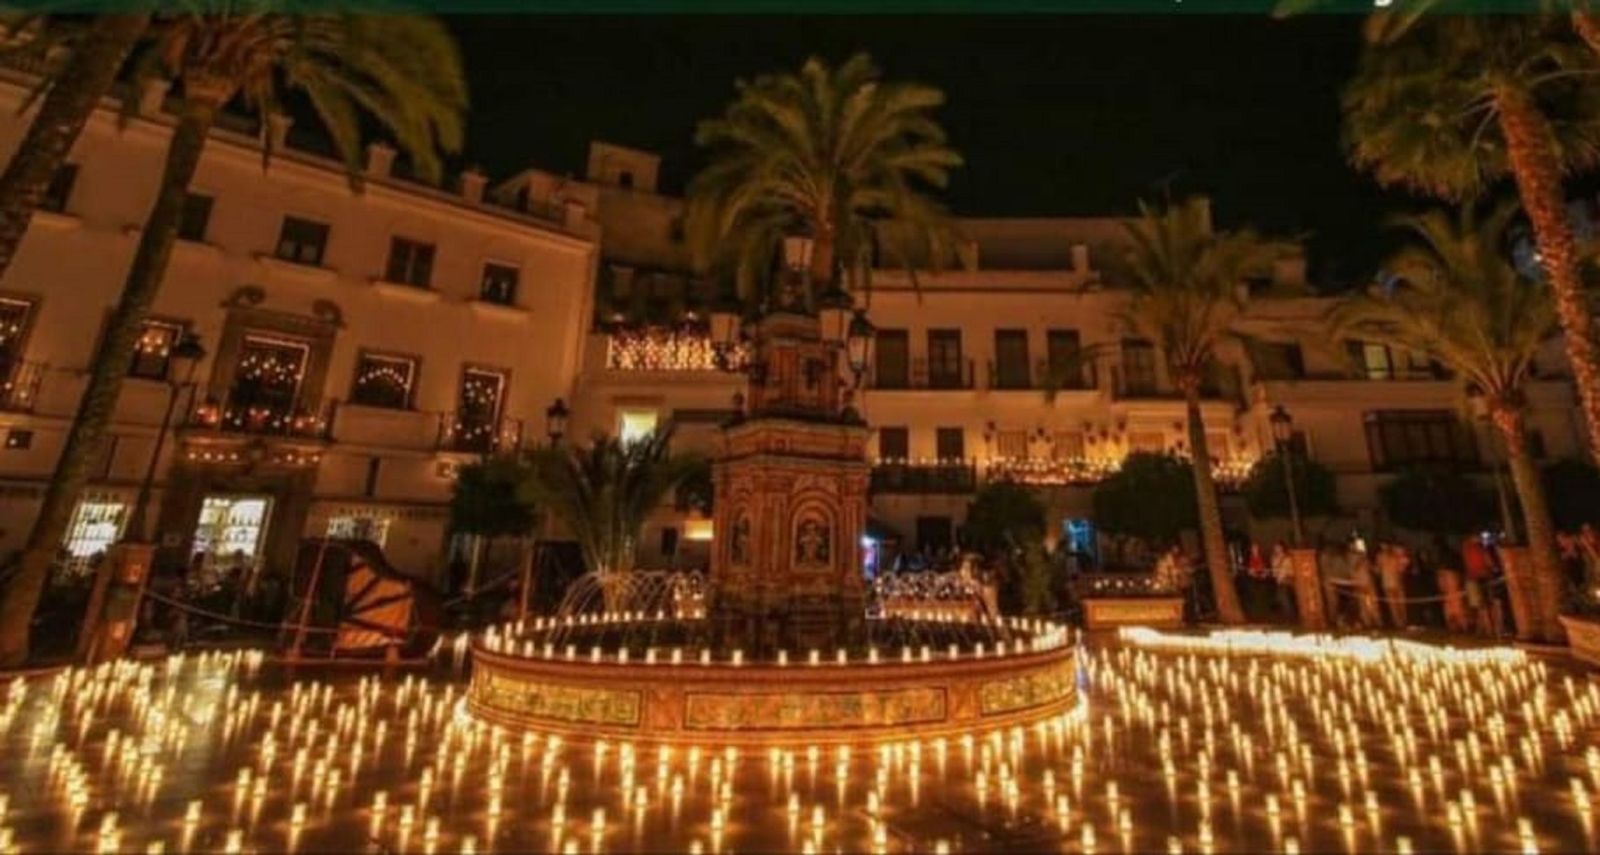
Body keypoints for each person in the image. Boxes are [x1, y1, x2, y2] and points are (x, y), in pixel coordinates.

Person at [1435, 535, 1469, 633]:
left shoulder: (1445, 556)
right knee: (1453, 605)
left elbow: (1442, 573)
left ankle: (1461, 625)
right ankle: (1458, 626)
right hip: (1451, 579)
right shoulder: (1447, 556)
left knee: (1456, 605)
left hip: (1451, 578)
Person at [1462, 534, 1494, 636]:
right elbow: (1488, 561)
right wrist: (1492, 568)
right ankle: (1489, 628)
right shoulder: (1479, 548)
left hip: (1472, 577)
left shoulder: (1465, 548)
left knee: (1479, 605)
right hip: (1482, 576)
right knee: (1486, 604)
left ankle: (1482, 629)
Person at [1377, 543, 1411, 629]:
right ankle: (1400, 624)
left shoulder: (1394, 556)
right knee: (1395, 606)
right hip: (1389, 583)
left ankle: (1402, 623)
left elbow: (1402, 567)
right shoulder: (1382, 557)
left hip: (1394, 583)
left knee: (1400, 605)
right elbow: (1379, 569)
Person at [1350, 543, 1382, 629]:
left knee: (1373, 603)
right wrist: (1359, 561)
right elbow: (1353, 569)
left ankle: (1377, 621)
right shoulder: (1351, 557)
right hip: (1359, 582)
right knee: (1363, 604)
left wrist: (1373, 567)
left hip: (1369, 582)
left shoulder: (1364, 557)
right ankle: (1367, 622)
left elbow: (1372, 569)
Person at [1270, 541, 1296, 623]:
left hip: (1288, 579)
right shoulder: (1274, 558)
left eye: (1278, 547)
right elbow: (1274, 571)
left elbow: (1289, 570)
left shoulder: (1288, 558)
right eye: (1275, 548)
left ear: (1282, 548)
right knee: (1280, 593)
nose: (1277, 549)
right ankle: (1287, 615)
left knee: (1282, 593)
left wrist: (1282, 577)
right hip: (1279, 580)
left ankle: (1289, 615)